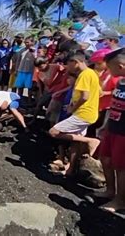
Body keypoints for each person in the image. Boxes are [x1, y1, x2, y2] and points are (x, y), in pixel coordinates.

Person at [49, 50, 101, 177]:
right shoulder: (92, 73)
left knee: (54, 132)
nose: (68, 67)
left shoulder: (84, 74)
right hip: (89, 113)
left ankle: (90, 141)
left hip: (83, 113)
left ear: (76, 62)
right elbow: (99, 92)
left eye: (69, 64)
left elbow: (84, 96)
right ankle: (70, 169)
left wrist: (73, 107)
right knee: (75, 141)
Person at [94, 48, 125, 212]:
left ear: (120, 66)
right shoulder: (120, 82)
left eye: (110, 67)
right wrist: (106, 126)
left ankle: (120, 201)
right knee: (105, 159)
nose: (108, 70)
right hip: (112, 128)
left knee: (121, 167)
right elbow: (114, 105)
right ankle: (110, 191)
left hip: (123, 133)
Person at [86, 49, 118, 138]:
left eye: (99, 63)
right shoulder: (104, 74)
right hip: (98, 105)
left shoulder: (115, 75)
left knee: (98, 131)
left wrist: (105, 93)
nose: (96, 66)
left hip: (107, 107)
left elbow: (117, 90)